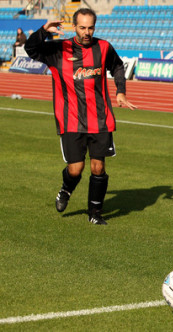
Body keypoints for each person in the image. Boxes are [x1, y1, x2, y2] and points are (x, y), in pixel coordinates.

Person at [25, 8, 137, 225]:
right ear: (75, 26)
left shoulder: (103, 47)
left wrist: (120, 91)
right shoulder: (59, 49)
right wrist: (43, 31)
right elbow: (30, 49)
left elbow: (117, 66)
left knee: (98, 167)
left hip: (100, 119)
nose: (87, 32)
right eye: (82, 27)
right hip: (71, 120)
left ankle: (95, 214)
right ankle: (67, 189)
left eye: (90, 28)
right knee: (76, 169)